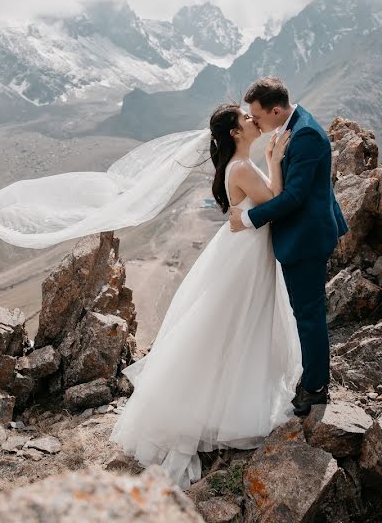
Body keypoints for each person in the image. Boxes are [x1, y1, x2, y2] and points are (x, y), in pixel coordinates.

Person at [108, 102, 302, 488]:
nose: (253, 119)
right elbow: (277, 202)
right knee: (237, 325)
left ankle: (221, 402)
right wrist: (275, 158)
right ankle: (222, 408)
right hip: (246, 255)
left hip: (243, 248)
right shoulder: (243, 167)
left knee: (229, 326)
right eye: (246, 118)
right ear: (234, 132)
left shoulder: (237, 166)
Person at [229, 76, 349, 416]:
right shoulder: (290, 126)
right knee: (305, 312)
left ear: (276, 110)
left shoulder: (306, 134)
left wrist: (249, 220)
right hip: (303, 232)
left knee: (309, 315)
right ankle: (313, 377)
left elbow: (295, 197)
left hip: (306, 237)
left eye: (257, 116)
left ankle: (315, 388)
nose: (253, 122)